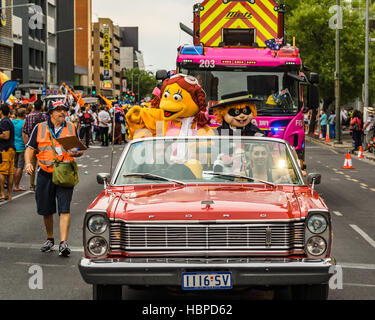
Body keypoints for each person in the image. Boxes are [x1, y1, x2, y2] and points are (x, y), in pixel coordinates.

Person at [24, 100, 84, 257]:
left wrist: (76, 152)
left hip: (64, 172)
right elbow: (30, 148)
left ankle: (63, 243)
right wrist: (28, 163)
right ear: (50, 113)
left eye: (64, 109)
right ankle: (50, 238)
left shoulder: (71, 127)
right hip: (45, 173)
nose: (62, 112)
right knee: (46, 209)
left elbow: (78, 149)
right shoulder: (40, 128)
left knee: (65, 208)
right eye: (58, 110)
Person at [23, 99, 47, 191]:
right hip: (43, 144)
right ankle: (41, 184)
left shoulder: (29, 116)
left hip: (32, 143)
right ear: (41, 106)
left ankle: (32, 184)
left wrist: (27, 144)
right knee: (42, 165)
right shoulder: (45, 116)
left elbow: (25, 130)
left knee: (31, 165)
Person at [0, 104, 16, 201]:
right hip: (10, 149)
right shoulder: (8, 121)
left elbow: (6, 135)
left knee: (2, 172)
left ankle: (2, 194)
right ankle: (9, 194)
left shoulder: (4, 122)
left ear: (1, 111)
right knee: (10, 172)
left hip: (5, 149)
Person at [12, 107, 28, 192]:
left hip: (13, 146)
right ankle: (16, 185)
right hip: (21, 147)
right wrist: (27, 145)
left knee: (14, 166)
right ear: (24, 114)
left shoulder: (12, 122)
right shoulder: (24, 123)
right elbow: (24, 136)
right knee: (20, 166)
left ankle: (14, 184)